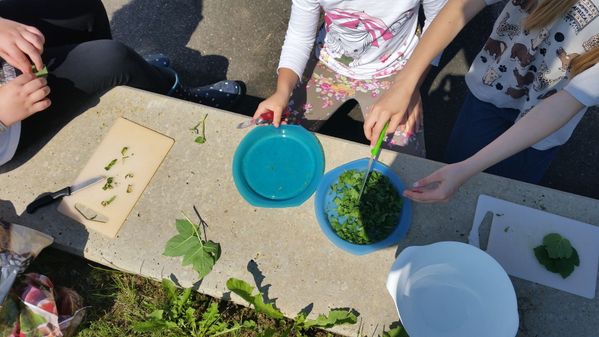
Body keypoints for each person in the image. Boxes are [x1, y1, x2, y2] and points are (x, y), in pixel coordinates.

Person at [360, 0, 599, 202]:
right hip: (491, 90)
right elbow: (459, 7)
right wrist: (404, 85)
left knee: (504, 197)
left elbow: (567, 101)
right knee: (450, 172)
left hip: (545, 129)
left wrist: (467, 169)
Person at [0, 0, 244, 167]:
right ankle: (177, 98)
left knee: (79, 9)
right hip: (11, 115)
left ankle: (130, 80)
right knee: (112, 58)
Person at [252, 0, 448, 157]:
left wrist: (410, 87)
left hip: (397, 70)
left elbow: (440, 24)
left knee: (405, 165)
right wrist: (282, 91)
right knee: (278, 143)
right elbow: (299, 37)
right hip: (328, 62)